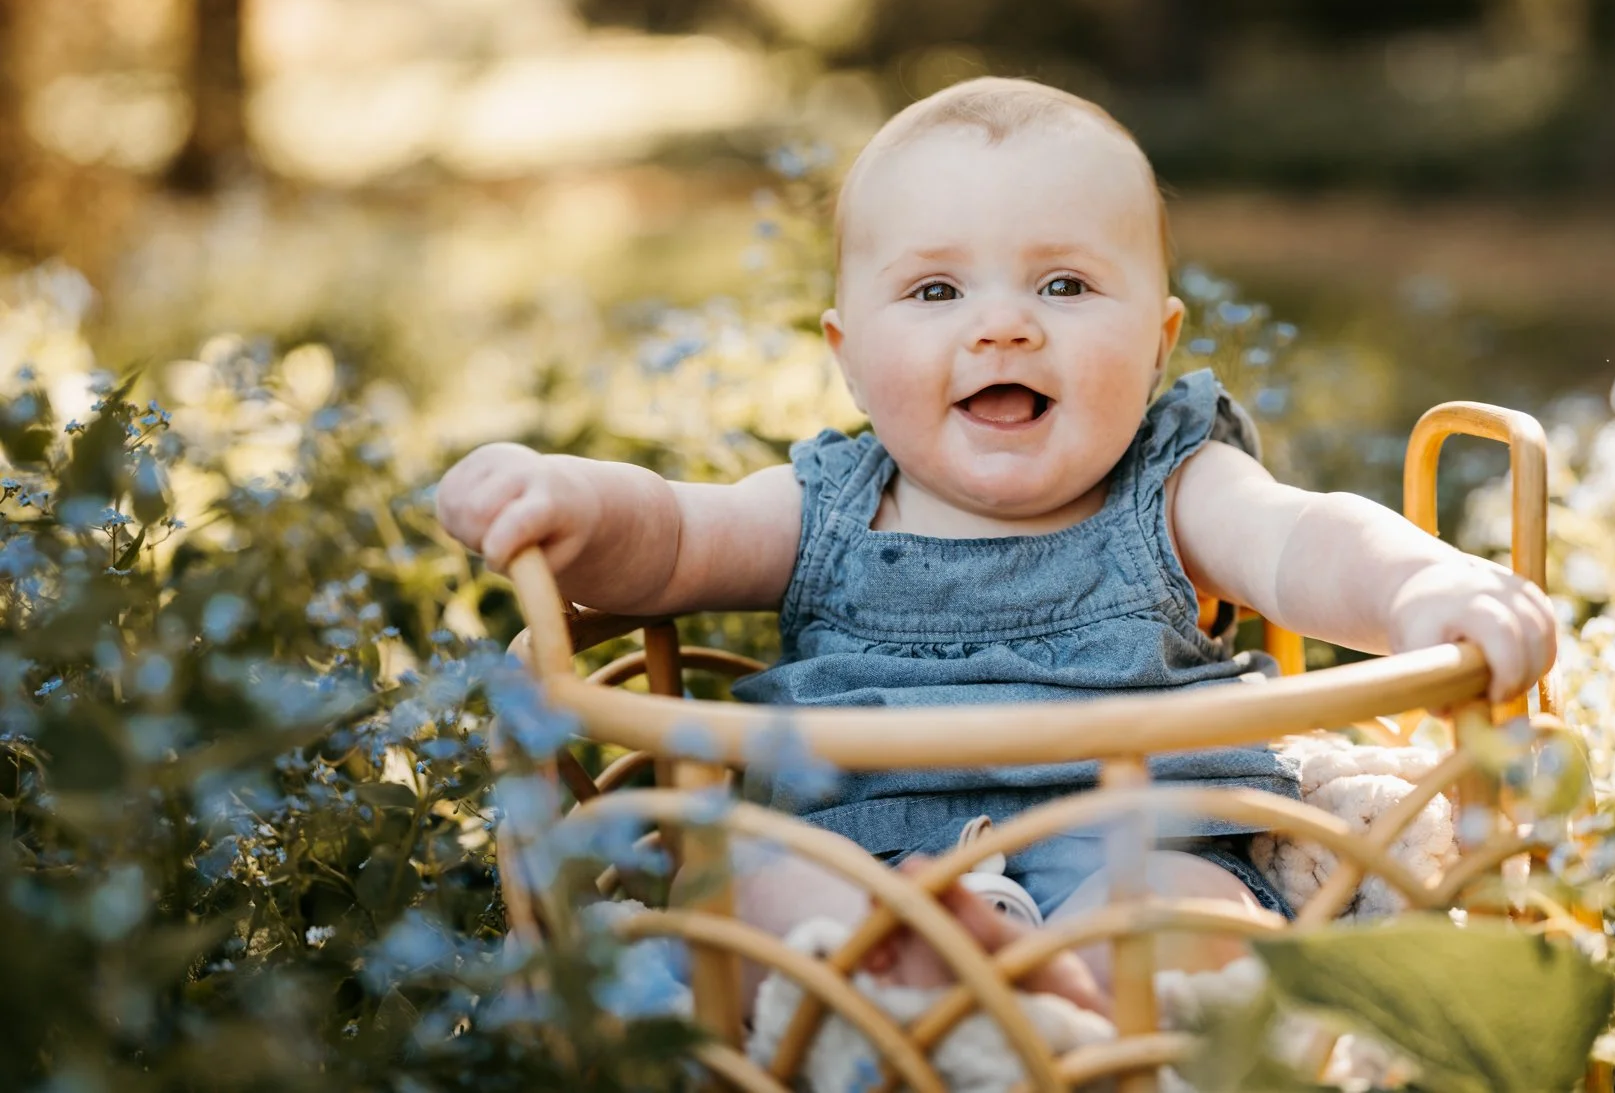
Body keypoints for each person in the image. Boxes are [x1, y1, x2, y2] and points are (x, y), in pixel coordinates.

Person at [436, 77, 1556, 1015]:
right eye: (934, 289)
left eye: (1063, 285)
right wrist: (570, 501)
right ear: (847, 351)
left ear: (1159, 339)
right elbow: (673, 537)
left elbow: (1300, 537)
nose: (1002, 324)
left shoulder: (1173, 485)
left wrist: (1422, 585)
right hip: (858, 851)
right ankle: (938, 993)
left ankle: (1052, 1018)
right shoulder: (825, 503)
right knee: (760, 908)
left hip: (1133, 833)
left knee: (1184, 919)